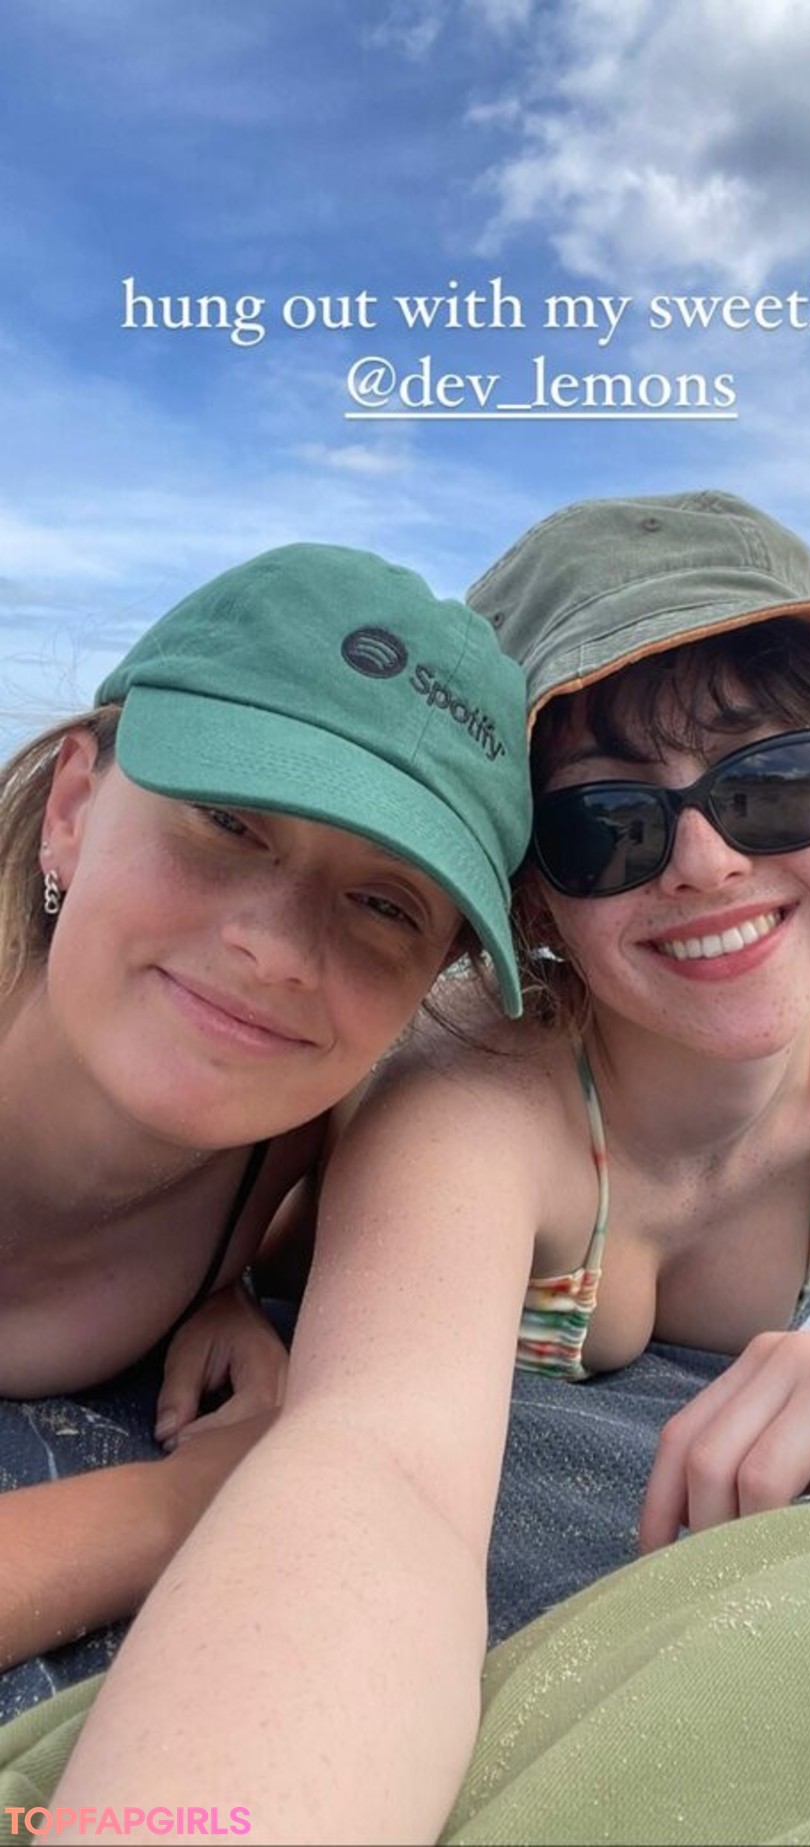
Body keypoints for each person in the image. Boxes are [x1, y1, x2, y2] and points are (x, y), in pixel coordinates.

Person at [45, 491, 810, 1843]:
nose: (706, 859)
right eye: (608, 822)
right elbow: (378, 1474)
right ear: (536, 898)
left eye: (775, 784)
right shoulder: (473, 1101)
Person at [0, 539, 530, 1695]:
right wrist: (186, 1499)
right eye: (229, 821)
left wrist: (228, 1285)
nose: (278, 950)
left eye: (384, 903)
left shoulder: (290, 1147)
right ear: (75, 808)